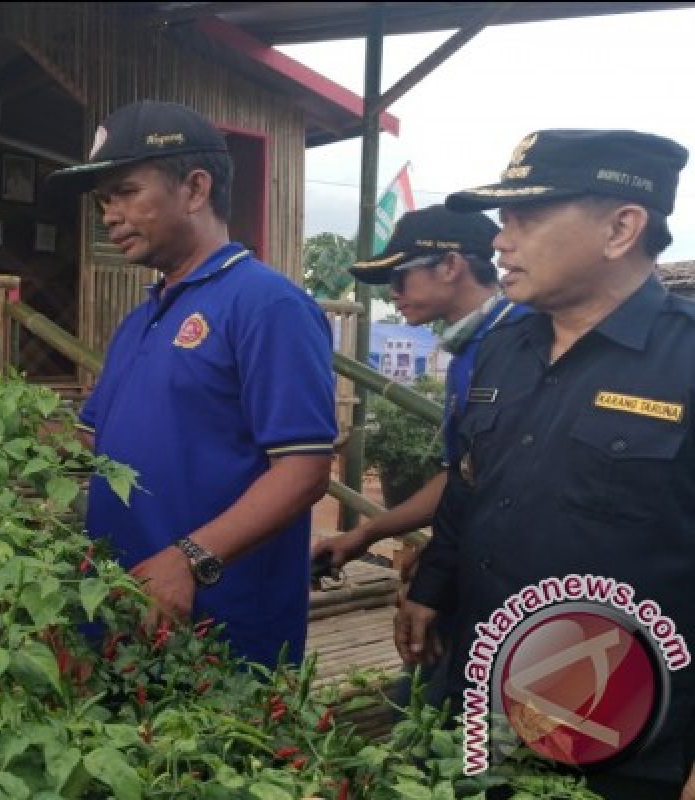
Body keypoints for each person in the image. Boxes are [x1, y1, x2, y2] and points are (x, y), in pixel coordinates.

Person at [396, 129, 694, 798]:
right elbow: (470, 485)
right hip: (486, 703)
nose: (500, 240)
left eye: (525, 217)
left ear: (621, 227)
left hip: (621, 731)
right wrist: (431, 588)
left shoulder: (686, 362)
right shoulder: (504, 350)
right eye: (503, 220)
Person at [47, 100, 337, 668]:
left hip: (217, 627)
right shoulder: (144, 315)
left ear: (195, 188)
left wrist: (188, 559)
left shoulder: (267, 304)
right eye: (104, 200)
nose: (109, 214)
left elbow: (304, 471)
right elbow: (92, 443)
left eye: (126, 191)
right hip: (124, 610)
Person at [311, 204, 527, 705]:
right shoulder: (470, 351)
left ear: (450, 266)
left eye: (401, 276)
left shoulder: (523, 342)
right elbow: (464, 476)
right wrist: (365, 534)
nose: (393, 292)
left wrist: (437, 574)